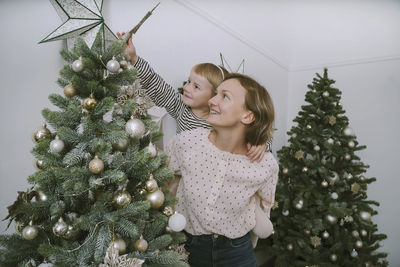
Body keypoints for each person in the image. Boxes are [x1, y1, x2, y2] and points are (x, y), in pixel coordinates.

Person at [165, 73, 279, 267]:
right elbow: (163, 189)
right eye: (215, 94)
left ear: (248, 115)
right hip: (187, 248)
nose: (211, 101)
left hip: (237, 253)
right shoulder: (186, 142)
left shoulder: (266, 164)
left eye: (224, 96)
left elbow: (263, 212)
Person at [116, 32, 270, 162]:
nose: (187, 88)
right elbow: (154, 83)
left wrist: (260, 144)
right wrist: (134, 58)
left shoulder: (222, 121)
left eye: (196, 87)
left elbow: (252, 129)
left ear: (214, 97)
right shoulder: (180, 108)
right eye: (189, 82)